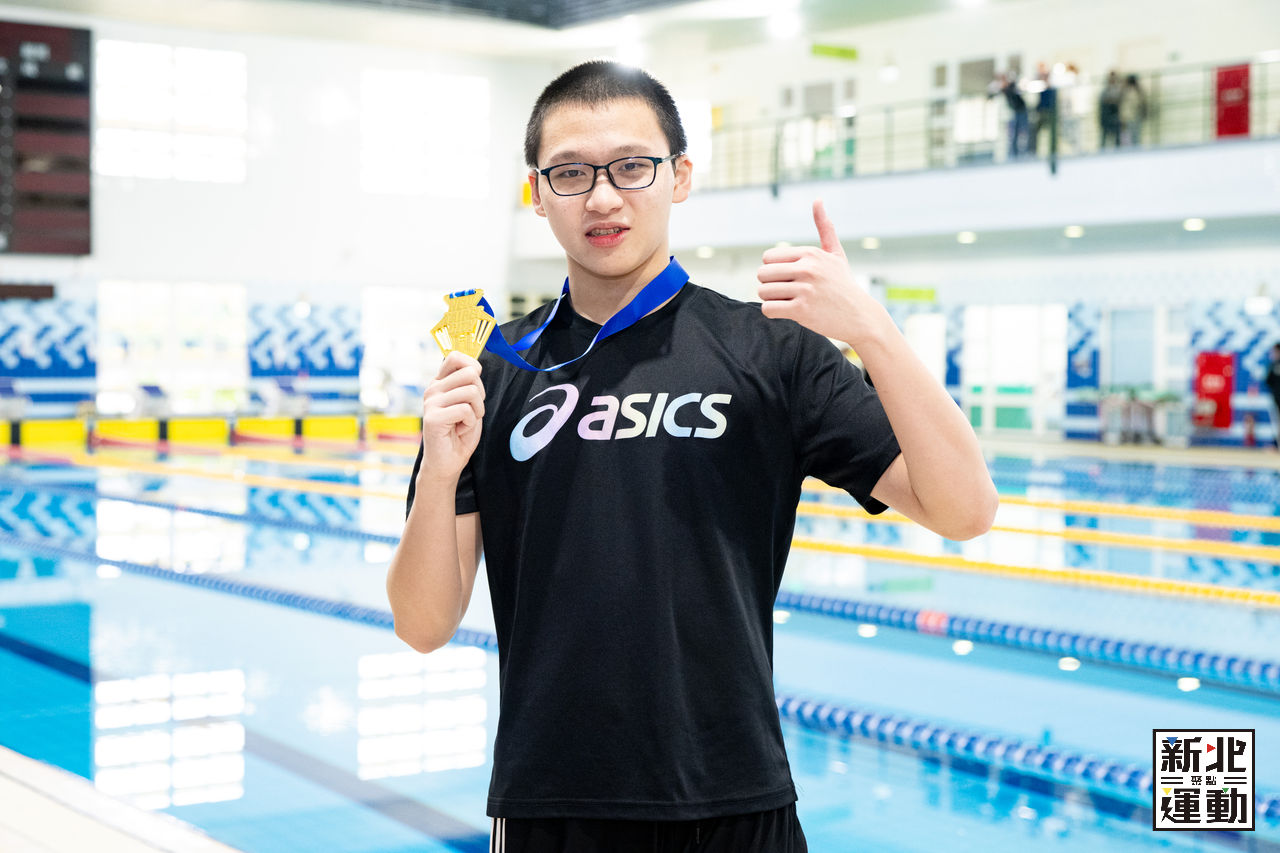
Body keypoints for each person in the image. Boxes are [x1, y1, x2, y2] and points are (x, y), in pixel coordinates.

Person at [387, 60, 997, 853]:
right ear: (536, 193)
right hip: (553, 801)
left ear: (679, 176)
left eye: (631, 166)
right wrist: (440, 471)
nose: (602, 197)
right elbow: (423, 624)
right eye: (570, 173)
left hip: (736, 797)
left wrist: (873, 332)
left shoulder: (773, 352)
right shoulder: (492, 371)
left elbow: (965, 510)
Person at [989, 71, 1030, 159]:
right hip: (1015, 112)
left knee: (1023, 132)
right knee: (1013, 134)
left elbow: (1019, 90)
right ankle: (1014, 154)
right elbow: (992, 94)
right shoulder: (1004, 89)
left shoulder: (1012, 86)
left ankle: (1024, 152)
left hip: (1021, 110)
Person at [1031, 62, 1059, 172]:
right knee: (1035, 131)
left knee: (1052, 134)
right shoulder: (1039, 82)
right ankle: (1033, 151)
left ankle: (1053, 152)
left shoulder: (1051, 81)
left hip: (1051, 111)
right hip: (1042, 111)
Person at [1119, 73, 1148, 146]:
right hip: (1132, 117)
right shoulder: (1135, 92)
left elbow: (1132, 105)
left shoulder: (1130, 92)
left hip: (1132, 117)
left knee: (1132, 136)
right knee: (1133, 136)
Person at [1098, 70, 1124, 149]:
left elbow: (1119, 101)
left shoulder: (1118, 90)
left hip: (1116, 115)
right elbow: (1103, 101)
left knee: (1117, 136)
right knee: (1105, 135)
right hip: (1107, 116)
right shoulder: (1105, 91)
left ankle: (1117, 149)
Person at [1266, 343, 1280, 449]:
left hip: (1277, 397)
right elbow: (1268, 381)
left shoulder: (1274, 365)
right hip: (1276, 399)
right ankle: (1276, 443)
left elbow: (1268, 380)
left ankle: (1276, 444)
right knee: (1277, 422)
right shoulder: (1273, 365)